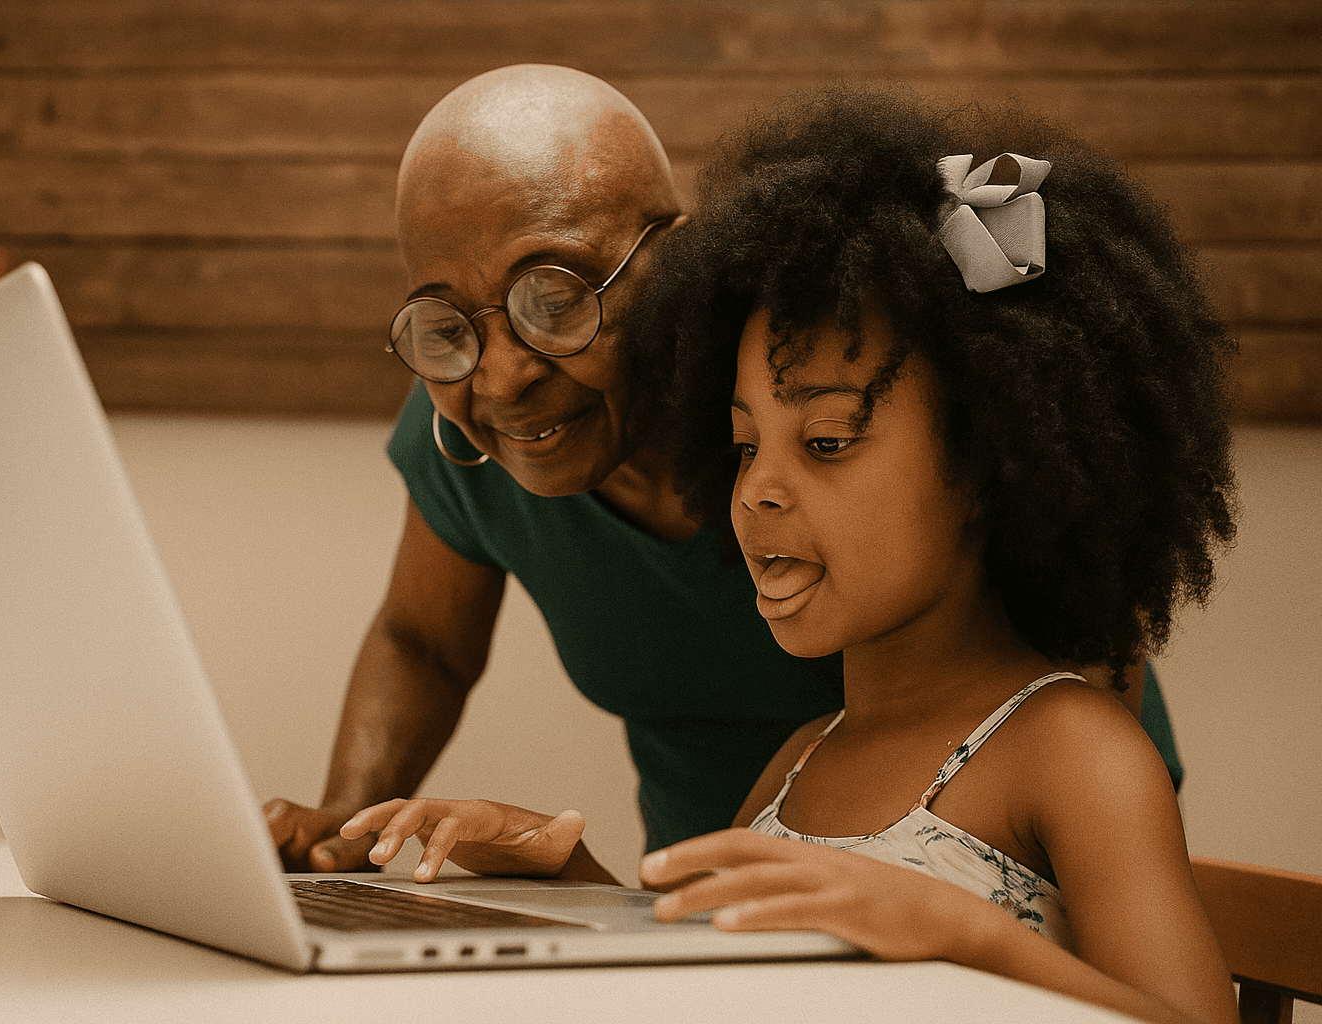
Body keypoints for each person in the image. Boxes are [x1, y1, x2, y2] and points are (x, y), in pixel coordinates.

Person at [340, 87, 1240, 1024]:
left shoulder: (1075, 754)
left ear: (992, 463)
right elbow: (709, 980)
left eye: (826, 442)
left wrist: (961, 937)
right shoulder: (800, 760)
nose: (756, 490)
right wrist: (562, 872)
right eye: (741, 446)